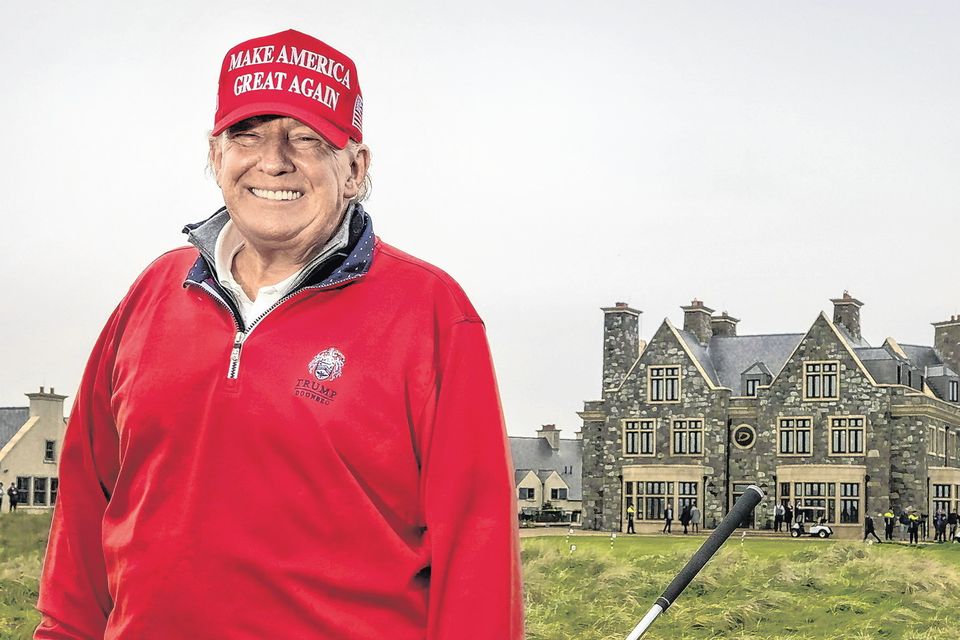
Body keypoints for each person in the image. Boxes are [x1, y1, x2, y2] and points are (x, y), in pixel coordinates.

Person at [35, 29, 523, 640]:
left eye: (307, 139)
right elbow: (85, 502)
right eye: (249, 134)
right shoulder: (151, 295)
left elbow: (477, 550)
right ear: (216, 156)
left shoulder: (432, 314)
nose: (274, 161)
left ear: (355, 168)